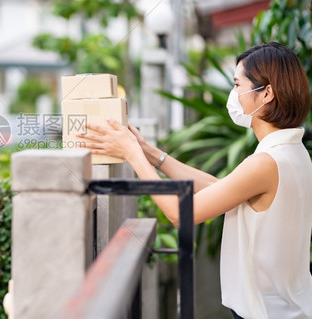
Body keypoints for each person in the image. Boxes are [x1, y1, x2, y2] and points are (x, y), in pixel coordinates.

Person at [78, 42, 312, 318]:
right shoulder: (292, 151)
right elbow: (221, 189)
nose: (233, 95)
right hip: (289, 305)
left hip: (268, 311)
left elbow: (180, 214)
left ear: (266, 94)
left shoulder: (266, 162)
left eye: (238, 85)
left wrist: (132, 154)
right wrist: (151, 154)